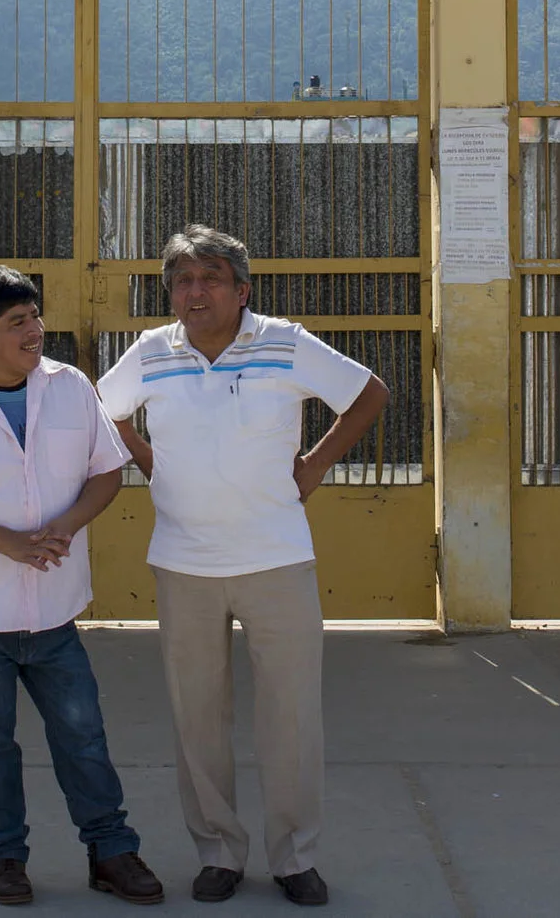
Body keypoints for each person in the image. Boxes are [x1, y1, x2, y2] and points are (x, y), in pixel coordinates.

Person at [96, 226, 389, 908]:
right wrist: (146, 457)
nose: (194, 292)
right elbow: (97, 410)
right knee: (197, 717)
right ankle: (218, 851)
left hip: (277, 558)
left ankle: (295, 857)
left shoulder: (284, 341)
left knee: (291, 716)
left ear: (241, 289)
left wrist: (313, 466)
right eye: (182, 281)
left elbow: (369, 392)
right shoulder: (151, 351)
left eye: (210, 278)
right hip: (184, 562)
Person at [0, 265, 167, 908]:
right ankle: (3, 858)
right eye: (18, 323)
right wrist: (11, 544)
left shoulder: (70, 387)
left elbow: (107, 471)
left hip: (53, 614)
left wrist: (63, 527)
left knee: (83, 736)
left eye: (36, 318)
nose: (35, 332)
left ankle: (111, 851)